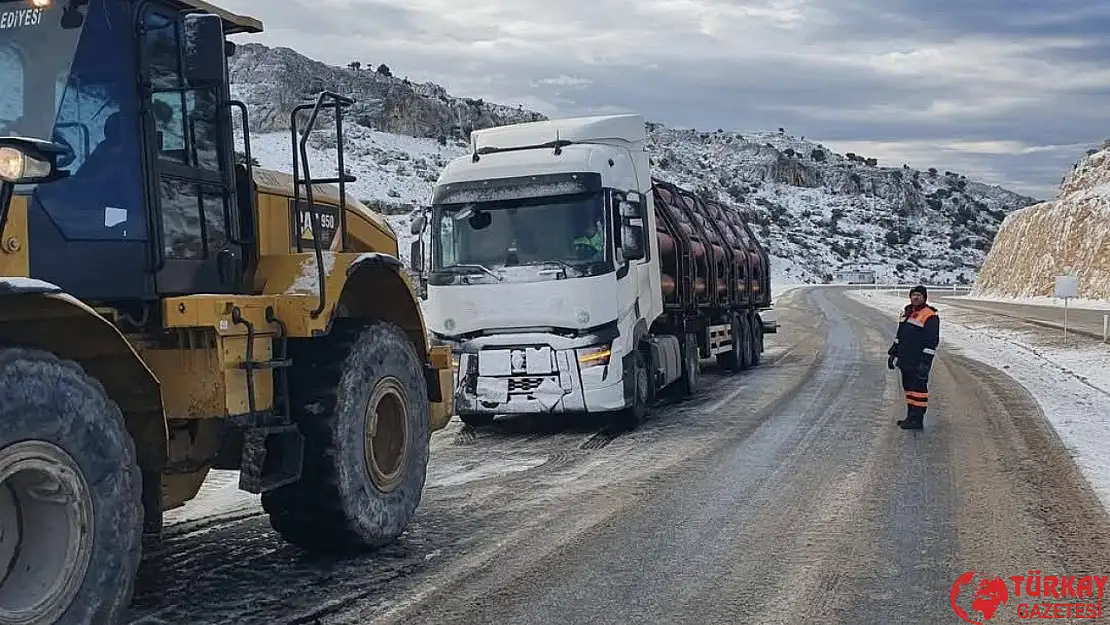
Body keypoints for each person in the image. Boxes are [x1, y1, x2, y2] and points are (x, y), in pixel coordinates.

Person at [887, 285, 939, 430]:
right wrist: (893, 352)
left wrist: (925, 363)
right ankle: (910, 416)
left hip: (918, 359)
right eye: (913, 295)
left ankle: (917, 419)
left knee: (918, 391)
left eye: (919, 295)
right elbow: (900, 336)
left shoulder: (930, 315)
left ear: (924, 297)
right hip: (905, 359)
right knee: (909, 389)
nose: (915, 297)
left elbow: (932, 342)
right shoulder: (907, 313)